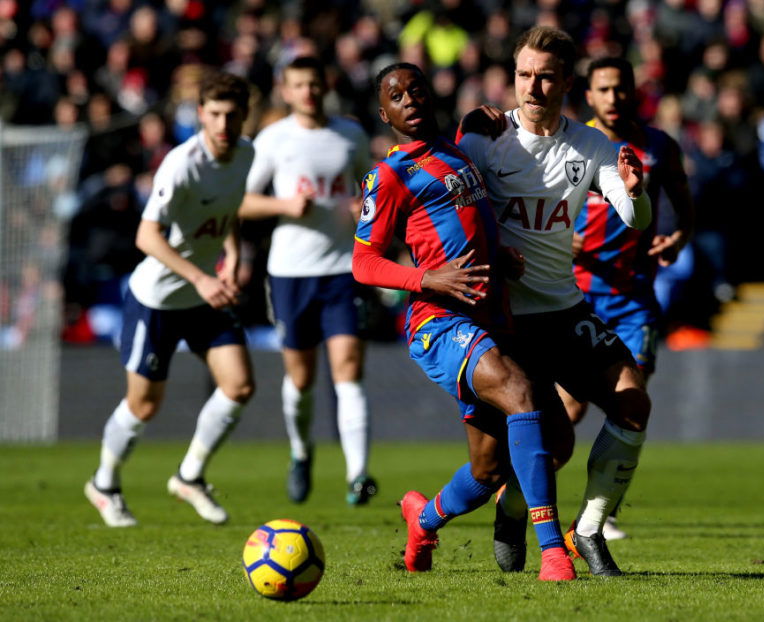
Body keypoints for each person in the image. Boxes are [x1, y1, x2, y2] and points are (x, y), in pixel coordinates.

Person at [352, 62, 576, 581]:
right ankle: (552, 553)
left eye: (415, 89)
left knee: (495, 466)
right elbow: (363, 262)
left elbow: (467, 225)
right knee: (521, 394)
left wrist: (501, 256)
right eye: (395, 95)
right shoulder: (388, 176)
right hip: (439, 322)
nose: (408, 99)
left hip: (493, 318)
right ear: (383, 113)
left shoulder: (458, 150)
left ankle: (423, 518)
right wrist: (427, 280)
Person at [457, 26, 653, 577]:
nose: (533, 86)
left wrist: (635, 194)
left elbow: (633, 219)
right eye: (524, 74)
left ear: (567, 81)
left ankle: (587, 531)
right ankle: (508, 509)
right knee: (539, 449)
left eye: (546, 76)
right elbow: (449, 213)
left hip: (565, 313)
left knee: (633, 403)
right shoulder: (482, 140)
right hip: (502, 322)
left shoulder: (591, 146)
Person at [84, 71, 256, 527]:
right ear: (200, 114)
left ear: (243, 116)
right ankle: (104, 484)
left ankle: (189, 476)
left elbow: (230, 209)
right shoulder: (182, 163)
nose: (222, 123)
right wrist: (201, 278)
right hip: (157, 298)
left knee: (239, 385)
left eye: (231, 115)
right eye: (214, 114)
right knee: (144, 406)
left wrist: (233, 257)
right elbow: (146, 235)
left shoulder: (246, 154)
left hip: (202, 295)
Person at [565, 56, 695, 540]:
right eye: (604, 89)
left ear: (633, 91)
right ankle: (522, 495)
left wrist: (679, 236)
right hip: (577, 295)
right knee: (572, 408)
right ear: (590, 95)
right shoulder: (574, 143)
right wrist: (559, 236)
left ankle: (600, 513)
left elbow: (683, 207)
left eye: (621, 88)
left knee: (632, 399)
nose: (614, 97)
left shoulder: (658, 147)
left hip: (635, 296)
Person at [239, 56, 377, 506]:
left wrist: (363, 209)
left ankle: (358, 474)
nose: (308, 92)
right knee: (301, 378)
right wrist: (282, 207)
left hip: (343, 269)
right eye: (299, 84)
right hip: (291, 273)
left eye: (314, 83)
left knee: (349, 369)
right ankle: (301, 453)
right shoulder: (273, 139)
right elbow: (241, 201)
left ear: (326, 85)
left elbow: (368, 188)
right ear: (285, 89)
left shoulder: (349, 134)